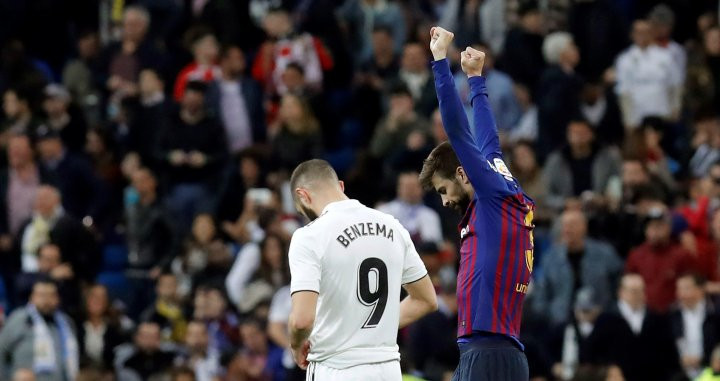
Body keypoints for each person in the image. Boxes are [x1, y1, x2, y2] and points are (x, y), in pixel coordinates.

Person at [425, 27, 535, 380]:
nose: (444, 202)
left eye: (443, 189)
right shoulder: (502, 183)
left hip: (487, 353)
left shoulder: (488, 193)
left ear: (462, 172)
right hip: (500, 351)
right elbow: (489, 138)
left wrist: (441, 61)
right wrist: (475, 79)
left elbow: (457, 131)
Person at [287, 159, 437, 380]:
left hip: (336, 368)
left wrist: (296, 344)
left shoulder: (309, 236)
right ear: (341, 186)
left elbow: (302, 320)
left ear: (303, 196)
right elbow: (426, 300)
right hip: (388, 369)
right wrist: (367, 330)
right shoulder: (393, 225)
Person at [587, 274, 680, 381]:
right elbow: (591, 353)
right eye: (633, 291)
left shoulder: (657, 320)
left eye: (640, 291)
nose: (637, 295)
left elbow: (670, 354)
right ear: (621, 292)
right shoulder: (606, 319)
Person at [0, 280, 79, 381]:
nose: (46, 300)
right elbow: (1, 351)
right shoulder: (19, 319)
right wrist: (9, 376)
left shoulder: (66, 323)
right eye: (42, 295)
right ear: (32, 297)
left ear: (58, 298)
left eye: (51, 295)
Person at [670, 273, 720, 379]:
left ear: (700, 289)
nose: (681, 293)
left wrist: (703, 360)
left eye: (686, 288)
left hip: (711, 373)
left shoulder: (714, 312)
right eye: (679, 289)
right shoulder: (673, 315)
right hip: (681, 373)